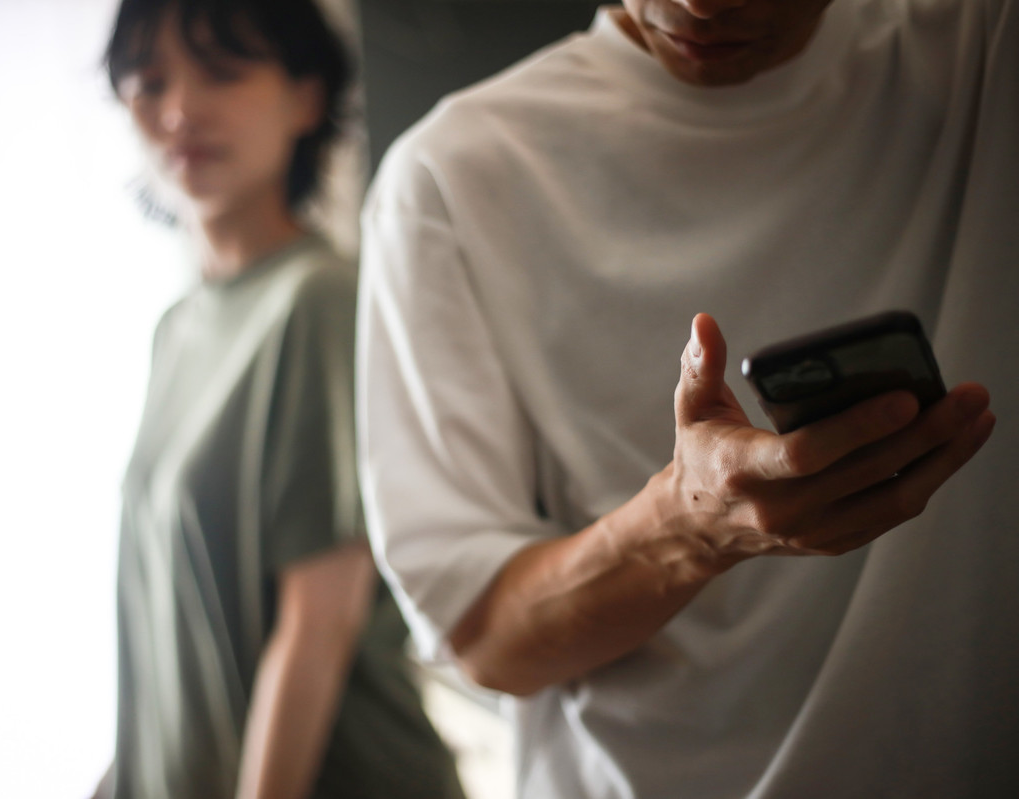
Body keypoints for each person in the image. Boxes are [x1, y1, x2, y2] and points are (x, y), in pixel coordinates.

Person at [357, 0, 1017, 797]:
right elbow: (486, 641)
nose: (702, 6)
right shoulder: (449, 176)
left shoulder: (977, 52)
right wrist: (686, 525)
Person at [94, 1, 465, 798]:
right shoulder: (178, 326)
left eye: (221, 72)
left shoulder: (319, 300)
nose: (180, 111)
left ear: (305, 97)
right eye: (149, 82)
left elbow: (318, 622)